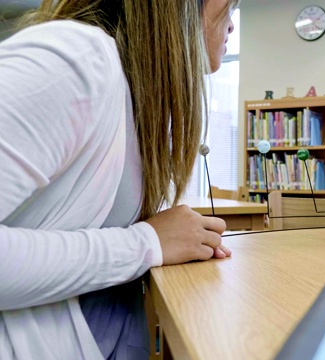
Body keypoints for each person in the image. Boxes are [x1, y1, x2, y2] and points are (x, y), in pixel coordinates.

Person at [0, 0, 239, 358]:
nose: (231, 25)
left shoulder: (136, 91)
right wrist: (146, 243)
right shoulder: (73, 62)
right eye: (229, 7)